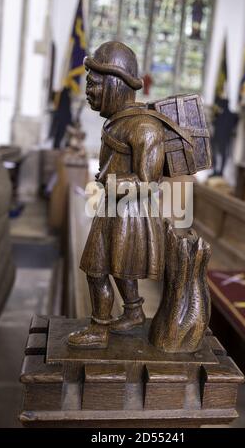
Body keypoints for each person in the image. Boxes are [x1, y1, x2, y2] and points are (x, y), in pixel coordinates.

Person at [68, 42, 165, 348]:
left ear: (114, 84)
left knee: (98, 268)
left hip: (129, 214)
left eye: (94, 84)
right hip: (113, 208)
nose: (89, 91)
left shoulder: (145, 128)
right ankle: (134, 310)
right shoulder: (119, 122)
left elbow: (148, 183)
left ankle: (99, 329)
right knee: (112, 266)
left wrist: (111, 182)